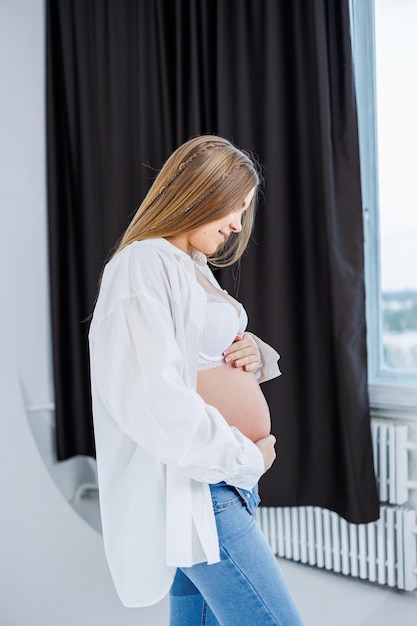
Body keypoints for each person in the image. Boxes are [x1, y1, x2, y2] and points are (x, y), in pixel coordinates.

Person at [88, 135, 304, 625]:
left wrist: (253, 352)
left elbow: (200, 355)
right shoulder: (142, 263)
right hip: (203, 487)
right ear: (199, 190)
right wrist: (246, 456)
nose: (236, 224)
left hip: (222, 482)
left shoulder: (194, 267)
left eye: (244, 210)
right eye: (233, 206)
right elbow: (152, 395)